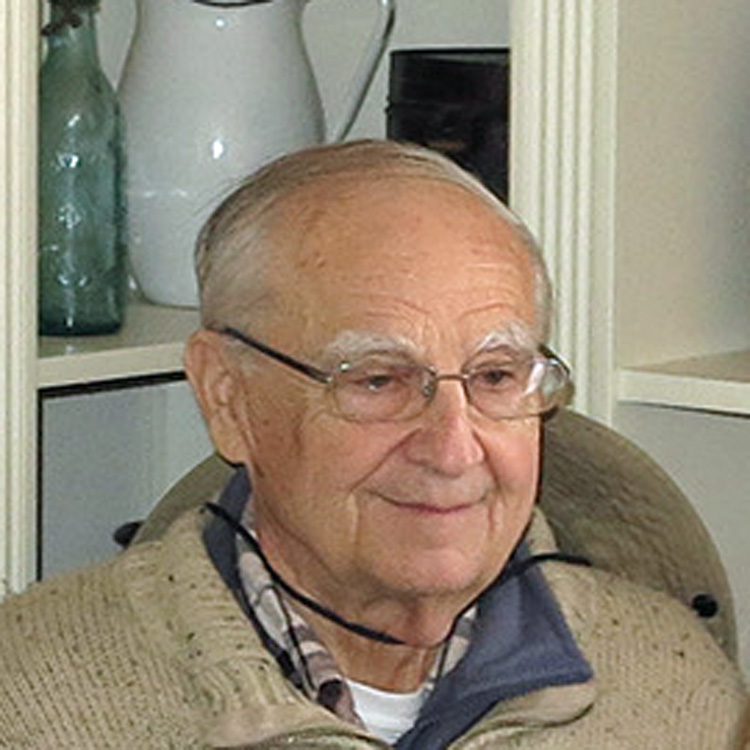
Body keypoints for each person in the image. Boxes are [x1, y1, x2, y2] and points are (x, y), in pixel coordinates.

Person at [0, 140, 746, 748]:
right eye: (378, 381)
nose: (453, 450)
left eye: (495, 376)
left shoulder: (672, 690)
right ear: (227, 396)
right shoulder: (32, 701)